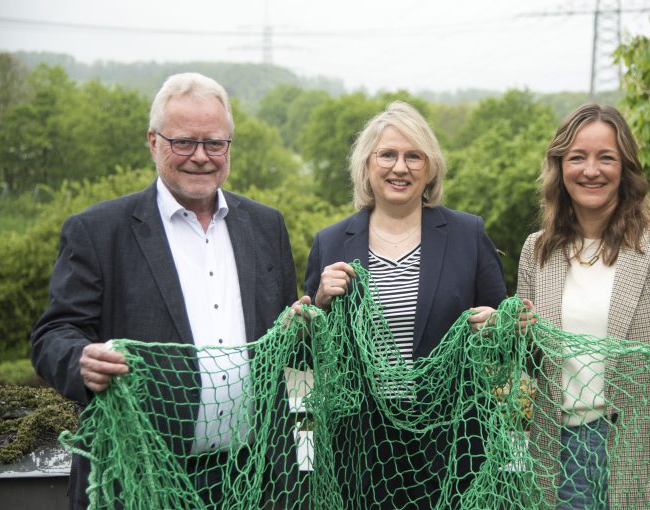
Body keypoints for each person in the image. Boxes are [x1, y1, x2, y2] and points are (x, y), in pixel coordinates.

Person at [30, 72, 302, 509]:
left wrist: (302, 459)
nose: (200, 157)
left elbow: (293, 353)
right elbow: (53, 334)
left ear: (229, 147)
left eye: (214, 143)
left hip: (253, 481)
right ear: (153, 142)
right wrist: (78, 361)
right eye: (183, 142)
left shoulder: (266, 226)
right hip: (137, 482)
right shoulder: (98, 231)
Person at [515, 103, 650, 508]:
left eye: (605, 158)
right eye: (577, 157)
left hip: (643, 450)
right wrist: (514, 332)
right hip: (559, 455)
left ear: (625, 168)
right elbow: (534, 360)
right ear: (560, 167)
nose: (590, 170)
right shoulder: (536, 251)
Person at [303, 100, 507, 508]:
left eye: (414, 156)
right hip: (359, 447)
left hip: (451, 447)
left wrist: (498, 326)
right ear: (367, 165)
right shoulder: (331, 241)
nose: (401, 167)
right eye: (388, 155)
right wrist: (320, 304)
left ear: (430, 168)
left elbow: (504, 340)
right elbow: (307, 354)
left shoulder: (467, 233)